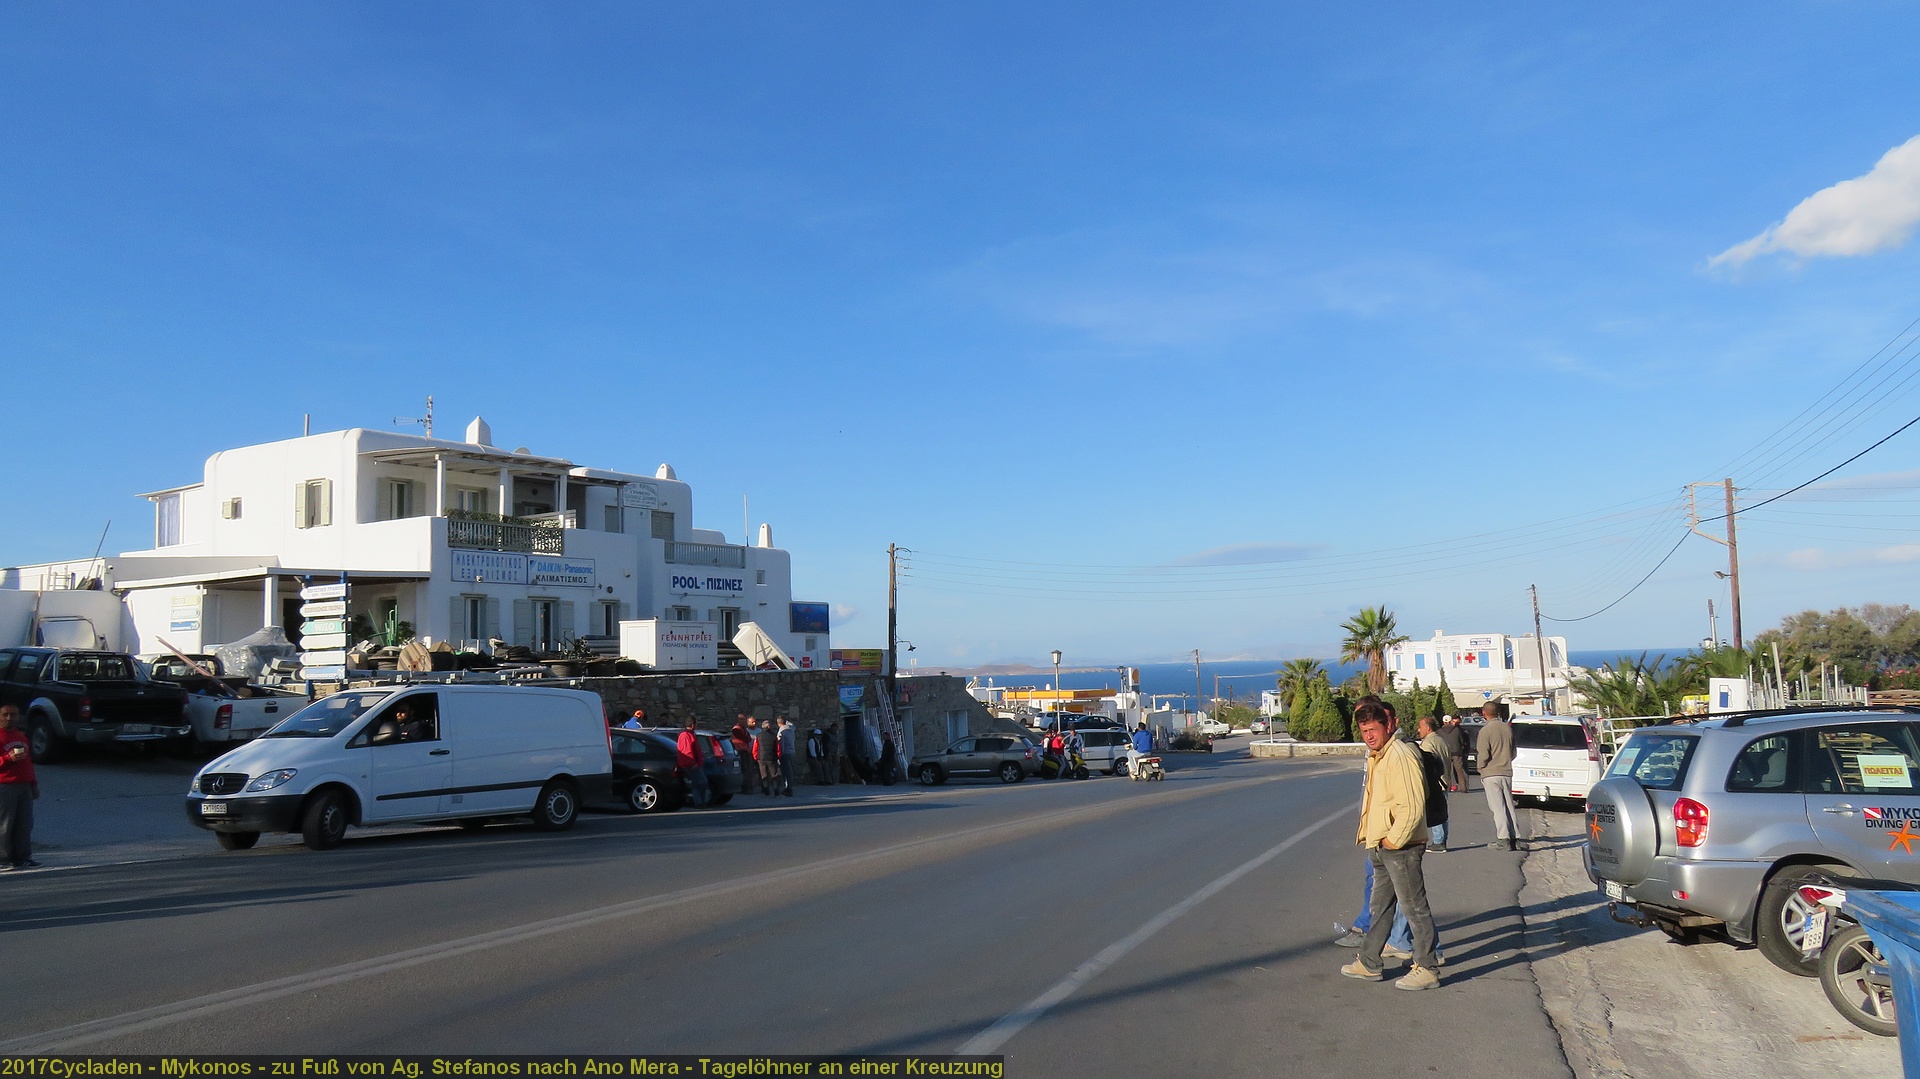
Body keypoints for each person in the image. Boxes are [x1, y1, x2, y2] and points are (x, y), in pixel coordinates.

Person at [1341, 701, 1441, 991]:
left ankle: (1427, 968)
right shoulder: (1379, 755)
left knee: (1414, 908)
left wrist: (1394, 840)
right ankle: (1369, 962)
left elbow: (1412, 805)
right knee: (1380, 908)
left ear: (1387, 726)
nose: (1369, 736)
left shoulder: (1399, 754)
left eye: (1373, 729)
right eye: (1364, 731)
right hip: (1382, 844)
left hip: (1401, 846)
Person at [0, 705, 39, 871]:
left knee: (24, 823)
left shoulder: (21, 736)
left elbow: (28, 762)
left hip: (24, 785)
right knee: (5, 824)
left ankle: (23, 857)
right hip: (5, 785)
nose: (9, 718)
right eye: (5, 715)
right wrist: (7, 758)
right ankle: (3, 858)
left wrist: (33, 784)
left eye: (13, 715)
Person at [1476, 702, 1520, 850]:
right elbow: (1513, 752)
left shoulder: (1485, 730)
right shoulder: (1507, 728)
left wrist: (1480, 766)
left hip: (1491, 772)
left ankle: (1503, 838)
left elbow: (1483, 754)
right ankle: (1515, 837)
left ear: (1484, 713)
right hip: (1506, 771)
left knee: (1498, 807)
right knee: (1509, 805)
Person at [1417, 715, 1451, 853]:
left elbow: (1428, 764)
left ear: (1427, 728)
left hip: (1435, 782)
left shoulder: (1428, 744)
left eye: (1420, 727)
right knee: (1442, 812)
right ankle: (1441, 840)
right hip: (1444, 781)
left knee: (1435, 812)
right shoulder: (1441, 740)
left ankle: (1438, 841)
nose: (1418, 730)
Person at [675, 717, 709, 808]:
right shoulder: (685, 735)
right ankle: (699, 802)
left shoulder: (690, 734)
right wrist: (693, 763)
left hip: (694, 763)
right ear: (693, 725)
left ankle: (699, 802)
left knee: (696, 783)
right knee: (702, 782)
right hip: (691, 764)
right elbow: (687, 751)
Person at [1439, 715, 1470, 792]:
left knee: (1447, 771)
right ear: (1450, 721)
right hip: (1457, 752)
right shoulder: (1457, 730)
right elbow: (1461, 740)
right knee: (1460, 771)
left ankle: (1447, 787)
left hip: (1446, 753)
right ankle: (1463, 788)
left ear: (1443, 722)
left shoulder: (1439, 731)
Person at [753, 717, 781, 796]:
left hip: (761, 758)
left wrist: (756, 757)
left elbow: (755, 747)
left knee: (764, 775)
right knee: (774, 774)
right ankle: (776, 791)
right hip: (772, 758)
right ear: (769, 727)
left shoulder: (758, 736)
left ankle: (766, 791)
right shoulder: (774, 736)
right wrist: (778, 756)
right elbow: (778, 748)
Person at [730, 716, 756, 795]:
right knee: (744, 770)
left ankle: (748, 787)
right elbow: (744, 738)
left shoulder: (743, 729)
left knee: (747, 770)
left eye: (744, 719)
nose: (744, 721)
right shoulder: (737, 729)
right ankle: (745, 787)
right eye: (742, 719)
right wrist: (746, 738)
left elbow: (748, 738)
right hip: (741, 750)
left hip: (745, 750)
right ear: (739, 720)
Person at [776, 717, 797, 796]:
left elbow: (781, 744)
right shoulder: (791, 729)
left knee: (786, 772)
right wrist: (786, 721)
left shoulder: (782, 732)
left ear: (778, 723)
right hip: (791, 752)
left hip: (785, 753)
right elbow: (793, 725)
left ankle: (788, 788)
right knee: (789, 770)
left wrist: (779, 755)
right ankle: (788, 787)